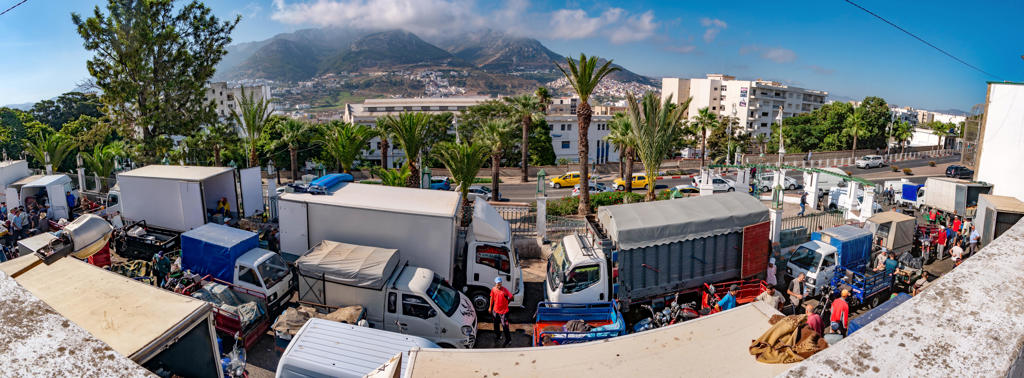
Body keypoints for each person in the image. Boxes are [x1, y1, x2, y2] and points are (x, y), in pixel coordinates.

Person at [489, 276, 513, 347]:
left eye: (500, 283)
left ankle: (508, 339)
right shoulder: (493, 289)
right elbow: (491, 298)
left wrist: (507, 302)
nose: (498, 285)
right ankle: (498, 336)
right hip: (495, 311)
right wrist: (490, 307)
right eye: (497, 283)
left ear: (501, 283)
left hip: (504, 312)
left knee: (505, 326)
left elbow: (511, 297)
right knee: (496, 325)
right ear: (495, 283)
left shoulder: (504, 290)